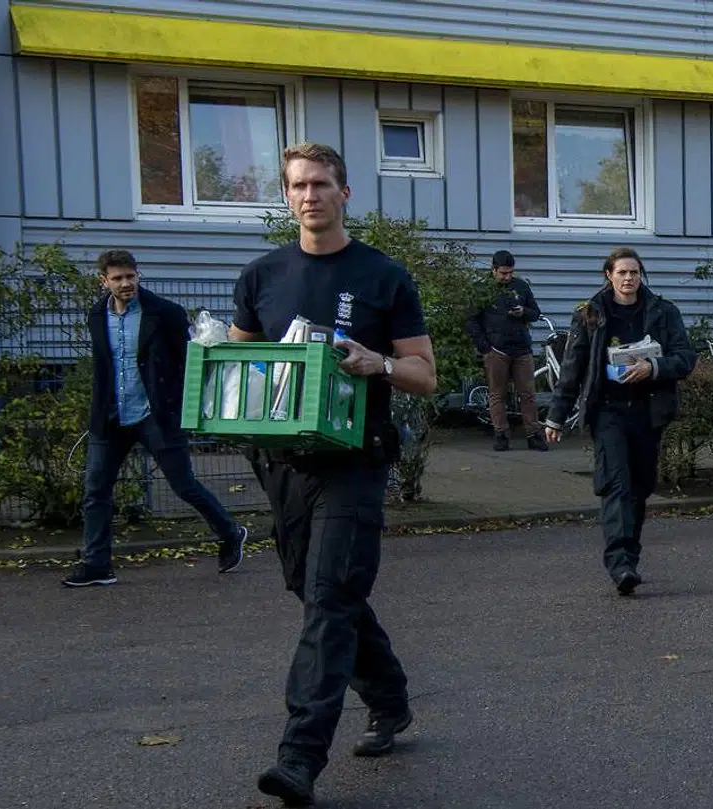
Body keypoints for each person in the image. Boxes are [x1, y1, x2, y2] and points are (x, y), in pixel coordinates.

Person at [228, 142, 436, 806]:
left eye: (321, 184)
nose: (309, 195)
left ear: (345, 193)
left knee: (328, 596)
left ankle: (298, 755)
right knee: (314, 587)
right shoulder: (260, 277)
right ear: (286, 197)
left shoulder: (382, 276)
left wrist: (377, 363)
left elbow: (425, 376)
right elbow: (243, 373)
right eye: (297, 186)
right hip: (286, 463)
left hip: (355, 461)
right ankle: (389, 693)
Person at [66, 250, 247, 587]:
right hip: (111, 417)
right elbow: (104, 368)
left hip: (155, 415)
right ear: (102, 281)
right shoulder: (96, 316)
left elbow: (187, 365)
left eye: (130, 276)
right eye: (117, 278)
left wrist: (184, 407)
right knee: (95, 491)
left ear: (138, 275)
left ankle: (230, 532)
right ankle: (97, 565)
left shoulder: (165, 313)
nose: (125, 284)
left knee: (183, 485)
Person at [544, 247, 696, 596]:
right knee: (617, 484)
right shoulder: (590, 314)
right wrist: (555, 416)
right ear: (608, 276)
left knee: (640, 488)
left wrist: (652, 367)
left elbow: (686, 357)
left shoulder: (663, 311)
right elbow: (573, 367)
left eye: (635, 273)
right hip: (608, 411)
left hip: (648, 411)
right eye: (622, 272)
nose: (629, 279)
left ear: (641, 276)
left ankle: (631, 556)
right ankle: (620, 565)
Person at [465, 249, 546, 451]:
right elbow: (471, 320)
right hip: (496, 350)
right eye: (503, 273)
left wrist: (523, 312)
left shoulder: (521, 286)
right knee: (497, 394)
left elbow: (536, 313)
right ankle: (501, 434)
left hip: (522, 348)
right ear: (494, 270)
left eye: (510, 273)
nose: (507, 277)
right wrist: (484, 347)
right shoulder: (481, 290)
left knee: (527, 393)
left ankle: (533, 434)